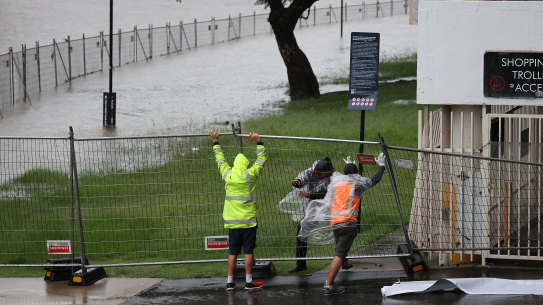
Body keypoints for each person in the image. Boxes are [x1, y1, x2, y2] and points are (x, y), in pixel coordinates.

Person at [209, 129, 267, 292]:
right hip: (248, 221)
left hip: (232, 222)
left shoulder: (227, 174)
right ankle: (249, 281)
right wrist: (258, 141)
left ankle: (229, 282)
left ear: (235, 165)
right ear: (246, 165)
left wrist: (215, 141)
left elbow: (220, 159)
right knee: (248, 250)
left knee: (233, 252)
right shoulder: (250, 174)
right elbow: (261, 159)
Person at [322, 153, 386, 295]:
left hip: (335, 223)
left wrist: (348, 166)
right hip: (347, 223)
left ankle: (335, 274)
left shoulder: (337, 184)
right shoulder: (356, 186)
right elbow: (374, 180)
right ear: (356, 175)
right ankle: (328, 284)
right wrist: (381, 166)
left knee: (340, 252)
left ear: (344, 173)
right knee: (339, 254)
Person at [288, 156, 352, 272]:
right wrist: (298, 182)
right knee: (302, 230)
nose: (328, 177)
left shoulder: (333, 176)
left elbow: (322, 192)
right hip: (316, 207)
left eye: (329, 174)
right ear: (318, 172)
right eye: (326, 175)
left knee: (339, 231)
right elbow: (302, 178)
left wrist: (308, 195)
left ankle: (344, 260)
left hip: (333, 206)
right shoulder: (311, 172)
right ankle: (301, 264)